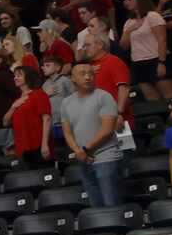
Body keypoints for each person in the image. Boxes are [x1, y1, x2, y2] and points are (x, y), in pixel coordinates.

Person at [55, 58, 130, 210]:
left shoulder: (104, 96)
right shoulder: (66, 102)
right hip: (84, 159)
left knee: (111, 205)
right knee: (96, 208)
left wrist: (85, 150)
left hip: (106, 157)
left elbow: (107, 130)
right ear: (73, 78)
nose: (88, 77)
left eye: (90, 73)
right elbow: (67, 132)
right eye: (83, 74)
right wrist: (78, 151)